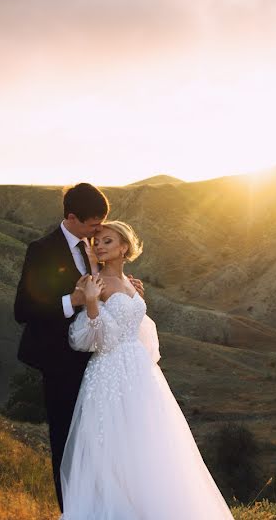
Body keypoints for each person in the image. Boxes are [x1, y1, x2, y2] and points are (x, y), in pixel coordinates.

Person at [60, 221, 233, 519]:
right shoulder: (94, 284)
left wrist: (135, 299)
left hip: (139, 372)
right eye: (97, 241)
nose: (100, 245)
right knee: (112, 446)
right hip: (109, 371)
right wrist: (90, 302)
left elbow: (137, 327)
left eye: (108, 241)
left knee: (148, 443)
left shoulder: (130, 283)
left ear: (124, 247)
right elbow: (91, 339)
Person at [13, 183, 143, 511]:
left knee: (102, 441)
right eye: (92, 225)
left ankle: (107, 506)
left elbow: (105, 286)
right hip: (61, 362)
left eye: (103, 226)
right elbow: (23, 309)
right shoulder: (42, 250)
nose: (98, 232)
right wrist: (73, 300)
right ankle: (73, 510)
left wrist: (125, 289)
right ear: (71, 217)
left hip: (99, 361)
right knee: (68, 442)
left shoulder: (93, 249)